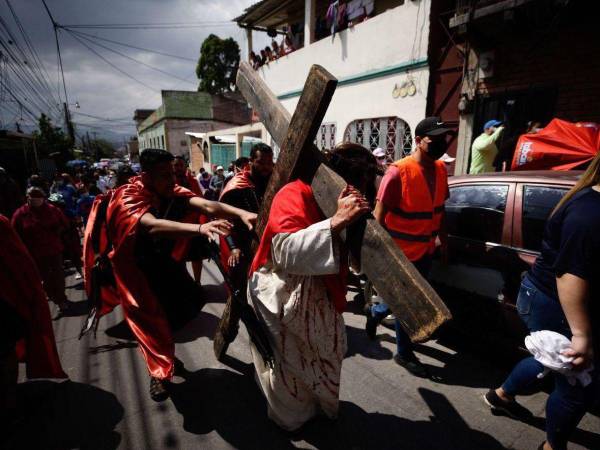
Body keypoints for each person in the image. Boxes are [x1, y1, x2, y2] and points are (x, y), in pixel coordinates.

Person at [98, 149, 256, 402]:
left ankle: (165, 355)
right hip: (134, 271)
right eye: (164, 175)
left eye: (172, 173)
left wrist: (241, 214)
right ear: (146, 176)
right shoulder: (128, 195)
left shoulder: (170, 190)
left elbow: (206, 204)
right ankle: (158, 374)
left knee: (187, 304)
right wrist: (200, 228)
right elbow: (151, 225)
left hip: (162, 263)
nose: (172, 180)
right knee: (150, 324)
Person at [248, 143, 376, 431]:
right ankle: (290, 418)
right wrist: (336, 221)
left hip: (321, 294)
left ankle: (319, 405)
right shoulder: (294, 193)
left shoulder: (348, 201)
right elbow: (286, 252)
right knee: (290, 365)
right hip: (281, 288)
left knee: (327, 353)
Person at [485, 152, 600, 450]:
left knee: (546, 360)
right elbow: (570, 275)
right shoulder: (590, 215)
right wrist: (581, 335)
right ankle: (552, 446)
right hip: (557, 304)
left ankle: (501, 396)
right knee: (577, 387)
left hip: (549, 298)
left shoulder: (587, 202)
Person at [367, 117, 451, 378]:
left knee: (405, 301)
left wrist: (444, 242)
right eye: (434, 140)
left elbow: (440, 210)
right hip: (401, 254)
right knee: (409, 305)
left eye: (444, 139)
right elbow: (378, 217)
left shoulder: (440, 169)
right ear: (418, 140)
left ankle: (376, 312)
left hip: (426, 250)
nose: (441, 143)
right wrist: (382, 256)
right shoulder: (397, 172)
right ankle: (404, 353)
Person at [0, 215, 67, 423]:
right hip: (14, 289)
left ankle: (9, 400)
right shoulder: (19, 215)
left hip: (6, 300)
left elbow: (18, 261)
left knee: (4, 350)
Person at [219, 144, 274, 290]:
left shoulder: (274, 181)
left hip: (267, 243)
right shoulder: (236, 186)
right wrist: (233, 247)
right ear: (250, 161)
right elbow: (223, 220)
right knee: (240, 288)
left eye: (269, 163)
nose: (266, 167)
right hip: (241, 244)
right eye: (261, 162)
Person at [12, 187, 71, 313]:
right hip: (35, 253)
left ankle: (61, 299)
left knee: (58, 274)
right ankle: (55, 297)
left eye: (39, 198)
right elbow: (14, 233)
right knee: (45, 279)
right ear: (27, 198)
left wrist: (57, 232)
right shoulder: (20, 214)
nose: (37, 201)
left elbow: (65, 224)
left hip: (54, 248)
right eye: (33, 198)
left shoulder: (52, 209)